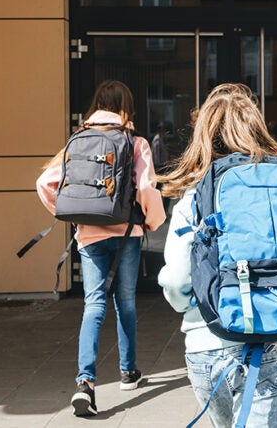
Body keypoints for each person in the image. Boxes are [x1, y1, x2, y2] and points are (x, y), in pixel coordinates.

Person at [156, 83, 277, 427]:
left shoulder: (195, 195)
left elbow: (177, 280)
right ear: (257, 128)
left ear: (203, 134)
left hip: (206, 343)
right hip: (274, 342)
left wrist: (196, 306)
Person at [36, 80, 166, 417]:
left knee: (93, 304)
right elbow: (146, 189)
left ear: (97, 103)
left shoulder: (78, 139)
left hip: (89, 235)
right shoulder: (134, 142)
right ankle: (128, 372)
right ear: (128, 106)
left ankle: (85, 383)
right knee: (125, 302)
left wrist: (69, 213)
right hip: (126, 233)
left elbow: (45, 183)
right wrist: (151, 222)